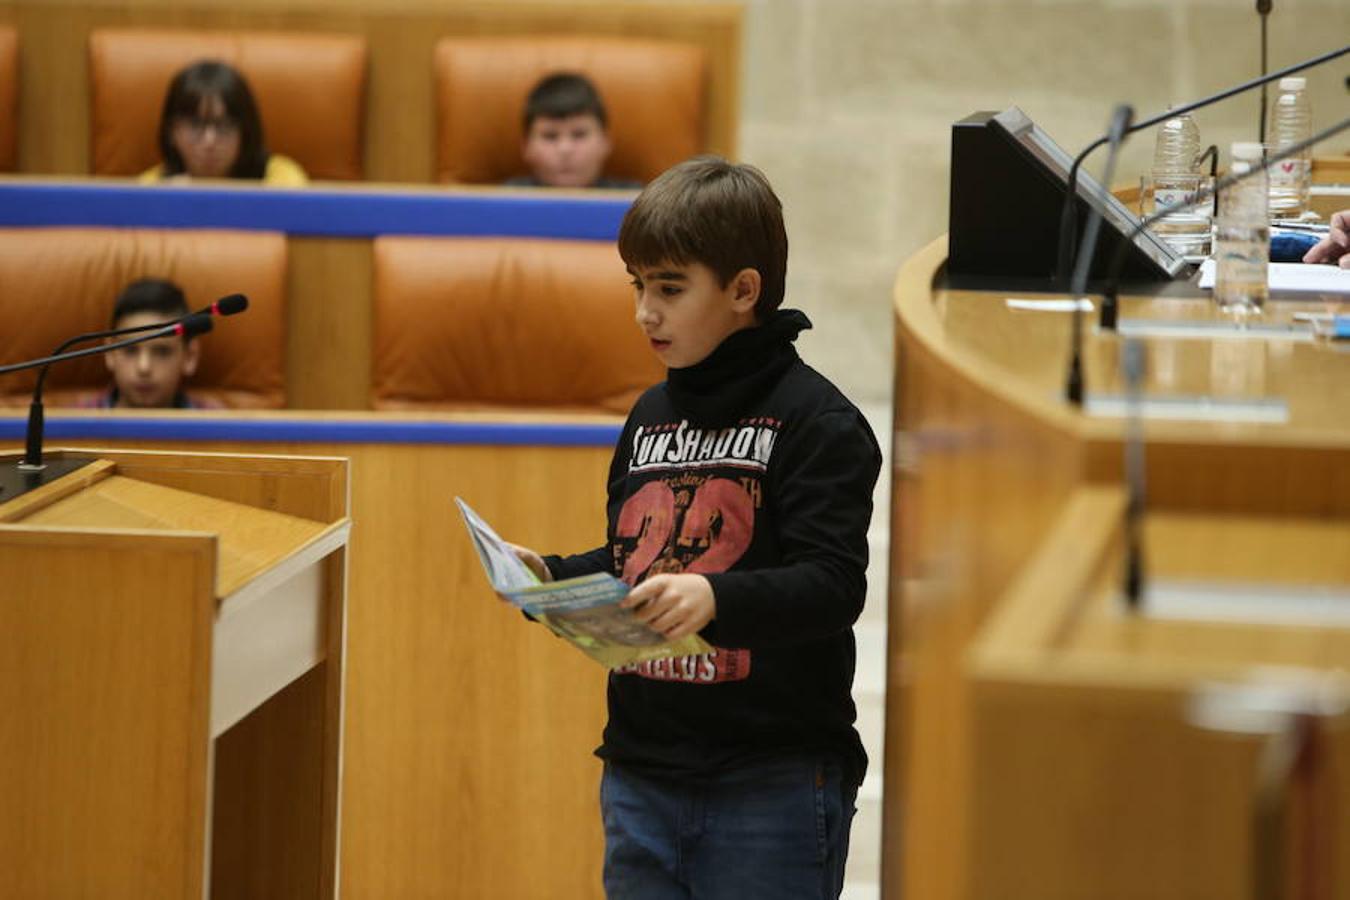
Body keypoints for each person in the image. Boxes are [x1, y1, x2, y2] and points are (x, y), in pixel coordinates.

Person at [509, 155, 881, 898]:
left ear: (744, 290)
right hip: (641, 772)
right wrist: (557, 577)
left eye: (670, 289)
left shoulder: (820, 421)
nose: (645, 310)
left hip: (768, 779)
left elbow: (834, 586)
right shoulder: (650, 414)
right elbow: (639, 559)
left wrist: (718, 601)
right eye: (638, 285)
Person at [140, 60, 307, 186]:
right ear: (171, 132)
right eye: (195, 125)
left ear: (245, 132)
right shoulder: (151, 187)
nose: (209, 141)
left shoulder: (282, 178)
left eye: (224, 126)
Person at [83, 278, 214, 409]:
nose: (144, 367)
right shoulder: (77, 419)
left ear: (189, 356)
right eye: (130, 350)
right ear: (109, 352)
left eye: (162, 352)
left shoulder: (217, 423)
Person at [504, 72, 641, 190]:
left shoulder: (637, 205)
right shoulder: (502, 201)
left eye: (579, 134)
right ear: (526, 146)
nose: (565, 149)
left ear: (605, 142)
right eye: (550, 136)